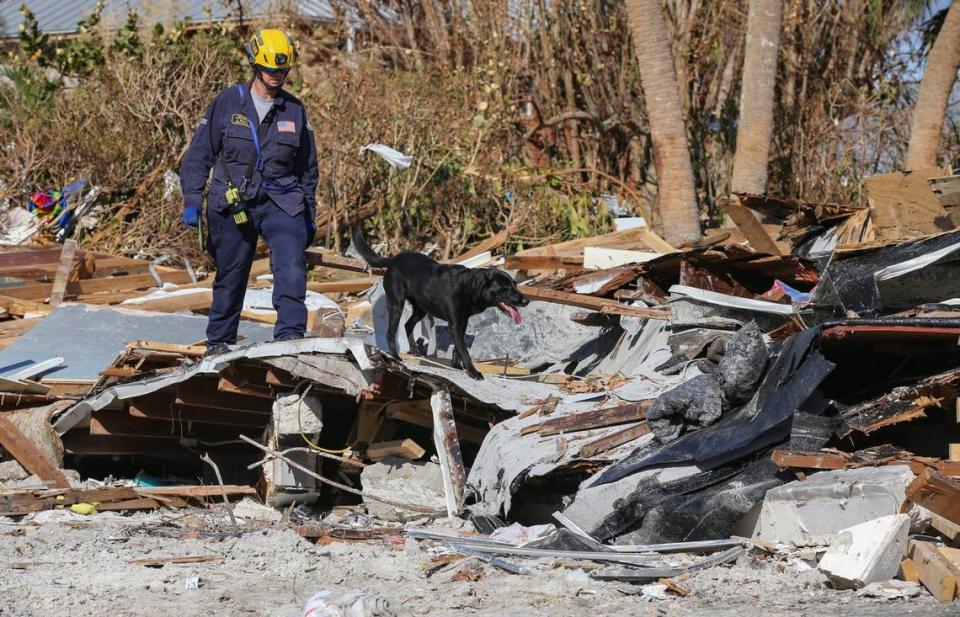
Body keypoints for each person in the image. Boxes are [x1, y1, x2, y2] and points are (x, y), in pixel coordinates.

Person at [180, 29, 318, 356]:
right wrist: (192, 199)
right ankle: (219, 342)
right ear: (255, 65)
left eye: (282, 71)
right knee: (231, 273)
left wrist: (307, 213)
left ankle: (289, 339)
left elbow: (307, 169)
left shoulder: (294, 111)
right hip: (232, 202)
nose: (276, 76)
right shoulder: (228, 103)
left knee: (292, 267)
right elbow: (199, 154)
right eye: (271, 70)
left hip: (281, 200)